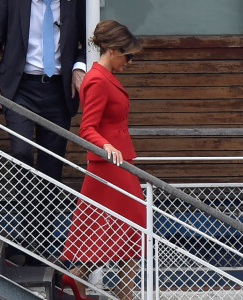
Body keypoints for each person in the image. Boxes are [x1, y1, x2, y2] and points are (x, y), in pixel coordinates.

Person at [0, 0, 86, 245]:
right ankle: (29, 231)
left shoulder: (75, 3)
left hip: (59, 92)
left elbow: (90, 40)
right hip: (21, 88)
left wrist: (79, 66)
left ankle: (41, 243)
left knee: (52, 167)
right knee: (21, 153)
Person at [61, 20, 146, 300]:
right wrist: (107, 145)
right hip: (110, 163)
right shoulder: (97, 79)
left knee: (114, 227)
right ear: (112, 49)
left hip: (119, 161)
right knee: (132, 224)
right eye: (128, 56)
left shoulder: (105, 78)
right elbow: (87, 128)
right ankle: (123, 292)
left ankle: (77, 278)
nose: (130, 62)